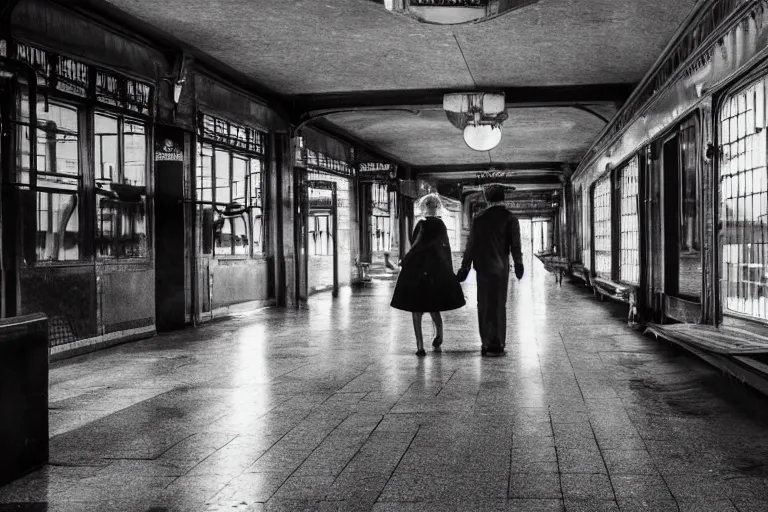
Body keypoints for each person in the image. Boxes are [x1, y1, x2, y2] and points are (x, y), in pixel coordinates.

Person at [390, 194, 466, 356]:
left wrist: (407, 259)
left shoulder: (421, 224)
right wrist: (448, 270)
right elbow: (446, 248)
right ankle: (439, 334)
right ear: (436, 207)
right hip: (435, 270)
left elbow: (416, 245)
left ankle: (420, 346)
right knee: (433, 306)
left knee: (416, 308)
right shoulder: (441, 225)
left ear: (425, 207)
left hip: (418, 269)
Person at [457, 185, 524, 356]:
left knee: (484, 305)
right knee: (499, 305)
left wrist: (465, 267)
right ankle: (499, 342)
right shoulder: (510, 218)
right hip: (501, 270)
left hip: (483, 269)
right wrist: (518, 264)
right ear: (504, 198)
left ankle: (486, 343)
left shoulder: (479, 219)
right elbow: (515, 245)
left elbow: (471, 246)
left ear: (487, 199)